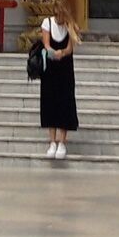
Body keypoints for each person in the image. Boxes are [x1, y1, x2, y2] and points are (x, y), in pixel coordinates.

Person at [34, 14, 79, 160]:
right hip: (51, 68)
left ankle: (62, 141)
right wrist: (54, 53)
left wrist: (63, 52)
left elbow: (70, 48)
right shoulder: (47, 23)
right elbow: (46, 43)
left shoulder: (70, 25)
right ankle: (52, 141)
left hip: (65, 68)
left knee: (65, 102)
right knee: (50, 102)